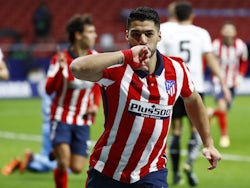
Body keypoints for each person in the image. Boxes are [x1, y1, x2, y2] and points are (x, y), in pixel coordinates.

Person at [70, 7, 222, 188]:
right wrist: (125, 55)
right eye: (136, 34)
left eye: (149, 33)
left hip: (152, 171)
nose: (142, 40)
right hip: (108, 171)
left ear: (159, 36)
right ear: (126, 35)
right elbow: (76, 68)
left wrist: (208, 143)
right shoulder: (116, 68)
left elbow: (194, 101)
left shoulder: (177, 69)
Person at [157, 1, 230, 186]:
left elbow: (160, 59)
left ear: (174, 14)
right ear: (191, 16)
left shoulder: (165, 30)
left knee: (175, 130)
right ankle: (189, 164)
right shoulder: (201, 33)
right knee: (196, 129)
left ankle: (174, 173)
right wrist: (222, 80)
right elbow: (210, 58)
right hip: (195, 87)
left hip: (172, 86)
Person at [45, 14, 101, 188]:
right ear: (78, 35)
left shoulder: (95, 57)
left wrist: (95, 105)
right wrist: (60, 71)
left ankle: (58, 149)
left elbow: (98, 84)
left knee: (76, 168)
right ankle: (61, 152)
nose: (95, 35)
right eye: (90, 32)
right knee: (63, 164)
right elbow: (49, 90)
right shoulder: (60, 58)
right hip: (61, 116)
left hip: (83, 119)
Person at [208, 21, 249, 148]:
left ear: (235, 32)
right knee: (222, 106)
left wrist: (240, 77)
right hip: (218, 82)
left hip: (233, 82)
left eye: (231, 30)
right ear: (222, 32)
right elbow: (209, 61)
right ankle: (224, 136)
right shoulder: (215, 45)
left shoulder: (240, 45)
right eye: (226, 30)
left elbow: (244, 62)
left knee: (225, 109)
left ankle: (211, 113)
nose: (228, 32)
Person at [1, 91, 57, 176]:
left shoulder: (48, 87)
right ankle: (33, 157)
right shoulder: (59, 86)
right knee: (68, 167)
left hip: (47, 125)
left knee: (43, 166)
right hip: (57, 126)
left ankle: (24, 162)